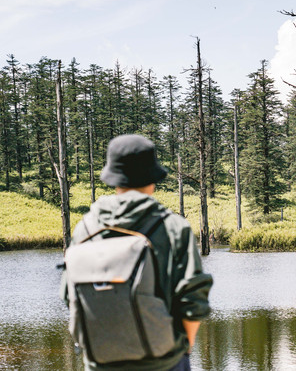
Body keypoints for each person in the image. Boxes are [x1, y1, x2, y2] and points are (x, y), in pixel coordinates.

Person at [61, 134, 213, 371]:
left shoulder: (86, 228)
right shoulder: (172, 227)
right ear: (153, 177)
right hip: (164, 362)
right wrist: (185, 348)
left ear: (113, 178)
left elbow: (68, 294)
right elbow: (193, 300)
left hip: (101, 362)